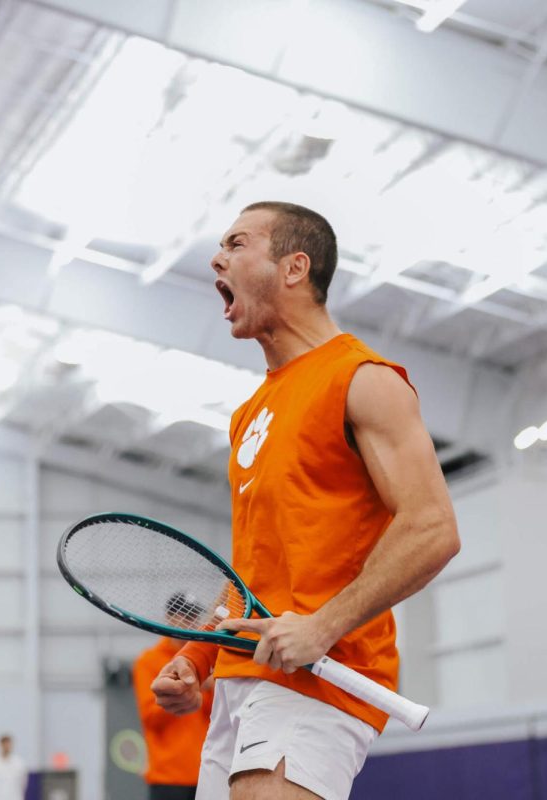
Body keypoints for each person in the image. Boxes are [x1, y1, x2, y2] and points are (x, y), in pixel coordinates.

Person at [151, 201, 460, 800]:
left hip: (321, 676)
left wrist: (323, 626)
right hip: (242, 679)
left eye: (237, 244)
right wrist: (197, 656)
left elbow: (433, 528)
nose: (217, 257)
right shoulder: (249, 416)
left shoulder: (364, 380)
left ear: (295, 268)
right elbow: (253, 568)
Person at [133, 594, 216, 800]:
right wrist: (181, 689)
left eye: (193, 617)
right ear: (170, 618)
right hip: (167, 778)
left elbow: (215, 716)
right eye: (184, 616)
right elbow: (150, 717)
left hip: (205, 774)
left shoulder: (205, 664)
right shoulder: (148, 661)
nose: (189, 623)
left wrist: (207, 687)